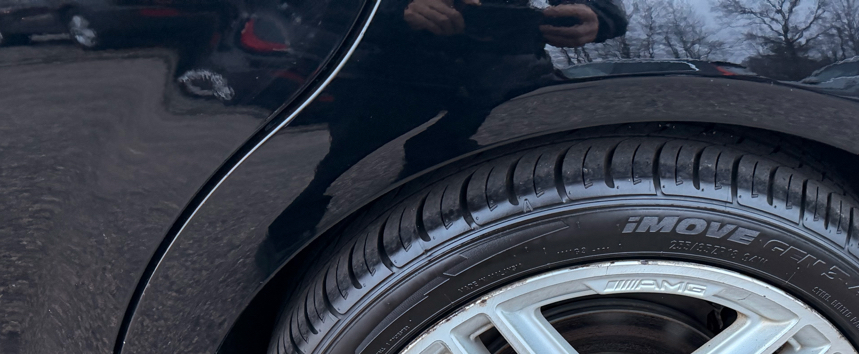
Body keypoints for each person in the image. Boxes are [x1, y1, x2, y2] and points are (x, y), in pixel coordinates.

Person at [261, 0, 627, 263]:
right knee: (334, 177)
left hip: (501, 83)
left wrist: (600, 16)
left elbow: (603, 8)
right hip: (393, 78)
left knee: (477, 185)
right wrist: (400, 9)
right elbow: (321, 12)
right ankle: (288, 269)